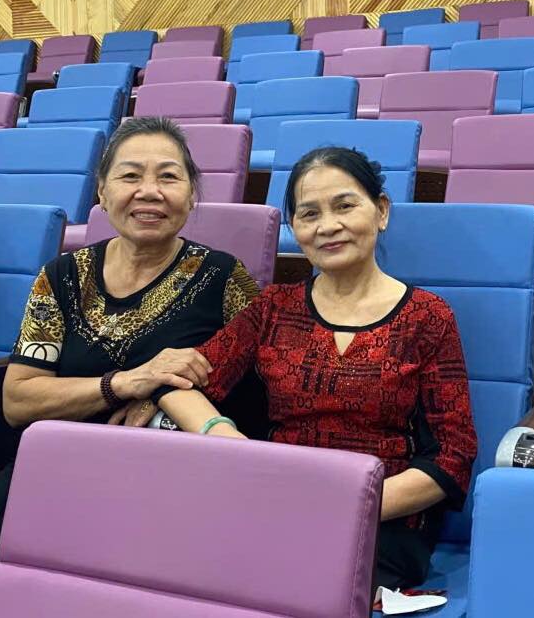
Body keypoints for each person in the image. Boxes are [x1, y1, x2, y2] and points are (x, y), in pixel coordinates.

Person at [144, 146, 478, 590]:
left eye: (345, 206)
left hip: (382, 521)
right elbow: (178, 382)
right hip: (274, 503)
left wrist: (347, 504)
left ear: (380, 211)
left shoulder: (428, 317)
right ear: (294, 228)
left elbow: (453, 455)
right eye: (309, 214)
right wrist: (226, 437)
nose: (327, 226)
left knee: (290, 580)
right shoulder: (273, 307)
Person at [0, 117, 261, 598]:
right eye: (130, 175)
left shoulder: (223, 279)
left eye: (169, 176)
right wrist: (126, 383)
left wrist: (162, 393)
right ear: (102, 191)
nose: (149, 192)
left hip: (166, 476)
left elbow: (257, 379)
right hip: (55, 466)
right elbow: (18, 401)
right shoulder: (61, 276)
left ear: (191, 193)